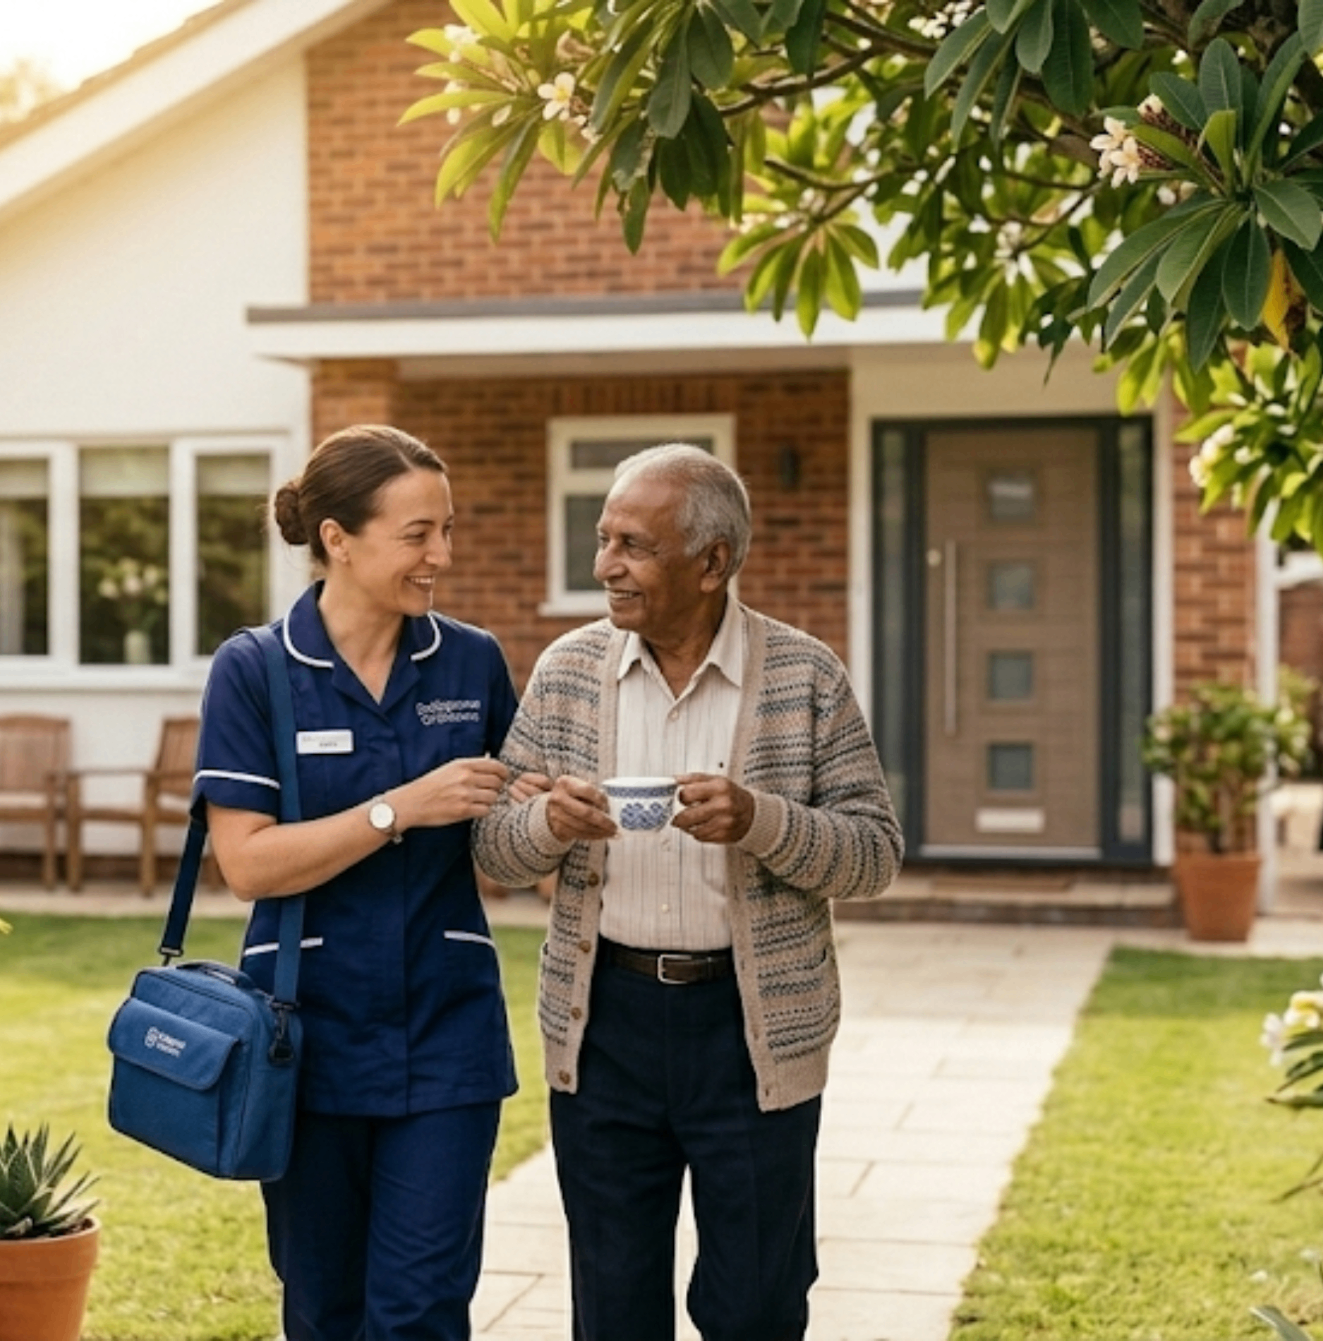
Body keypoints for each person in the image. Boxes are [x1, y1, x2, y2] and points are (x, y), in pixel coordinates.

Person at [472, 443, 903, 1341]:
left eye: (632, 544)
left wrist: (760, 820)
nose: (604, 566)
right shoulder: (566, 671)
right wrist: (549, 824)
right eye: (603, 539)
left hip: (751, 1032)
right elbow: (495, 851)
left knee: (755, 1303)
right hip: (604, 1023)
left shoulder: (805, 675)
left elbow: (874, 855)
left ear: (712, 563)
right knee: (615, 1303)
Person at [193, 423, 538, 1341]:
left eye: (448, 529)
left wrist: (550, 810)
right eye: (418, 533)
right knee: (323, 1306)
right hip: (306, 1042)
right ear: (337, 538)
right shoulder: (256, 670)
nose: (443, 556)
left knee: (423, 1308)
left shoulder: (470, 662)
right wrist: (399, 808)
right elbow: (245, 863)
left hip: (447, 1029)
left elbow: (512, 824)